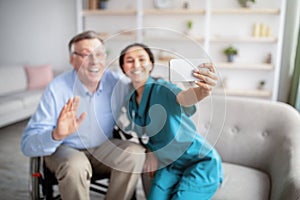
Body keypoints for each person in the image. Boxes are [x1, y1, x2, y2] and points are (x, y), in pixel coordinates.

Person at [21, 31, 146, 200]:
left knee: (135, 154)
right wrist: (56, 134)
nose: (94, 61)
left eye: (99, 54)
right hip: (65, 149)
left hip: (103, 149)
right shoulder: (56, 89)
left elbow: (142, 93)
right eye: (86, 55)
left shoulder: (116, 82)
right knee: (76, 165)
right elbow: (27, 144)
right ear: (72, 60)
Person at [118, 43, 223, 200]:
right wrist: (150, 151)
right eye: (130, 60)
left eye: (141, 59)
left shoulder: (163, 88)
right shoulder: (130, 98)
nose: (136, 65)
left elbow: (183, 98)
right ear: (123, 68)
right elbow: (142, 133)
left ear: (151, 64)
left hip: (199, 160)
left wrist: (203, 90)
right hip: (169, 165)